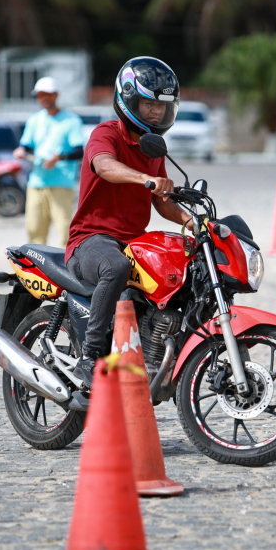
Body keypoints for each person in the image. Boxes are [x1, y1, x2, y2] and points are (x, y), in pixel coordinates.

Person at [65, 57, 190, 387]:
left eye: (162, 106)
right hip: (90, 240)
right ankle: (89, 358)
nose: (156, 112)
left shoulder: (154, 149)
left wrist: (193, 223)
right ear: (129, 99)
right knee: (115, 268)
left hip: (132, 240)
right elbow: (104, 166)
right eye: (149, 104)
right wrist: (145, 178)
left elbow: (163, 202)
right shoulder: (106, 134)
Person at [13, 77, 85, 247]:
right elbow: (26, 145)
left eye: (48, 94)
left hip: (61, 184)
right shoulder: (34, 120)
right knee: (34, 231)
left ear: (56, 95)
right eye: (40, 95)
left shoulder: (71, 120)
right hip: (37, 183)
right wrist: (21, 151)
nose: (44, 98)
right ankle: (36, 271)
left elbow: (78, 151)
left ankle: (65, 270)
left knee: (65, 233)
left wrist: (58, 157)